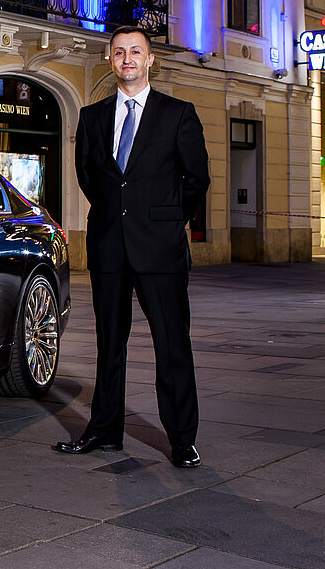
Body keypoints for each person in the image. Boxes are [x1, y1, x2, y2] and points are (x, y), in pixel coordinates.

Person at [56, 25, 210, 468]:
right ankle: (105, 431)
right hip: (108, 246)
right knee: (110, 344)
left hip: (160, 249)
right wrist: (115, 214)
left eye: (136, 52)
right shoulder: (92, 116)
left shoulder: (178, 114)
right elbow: (90, 176)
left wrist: (165, 219)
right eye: (119, 52)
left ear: (150, 60)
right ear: (110, 60)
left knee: (172, 344)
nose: (127, 59)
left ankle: (182, 439)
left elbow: (196, 178)